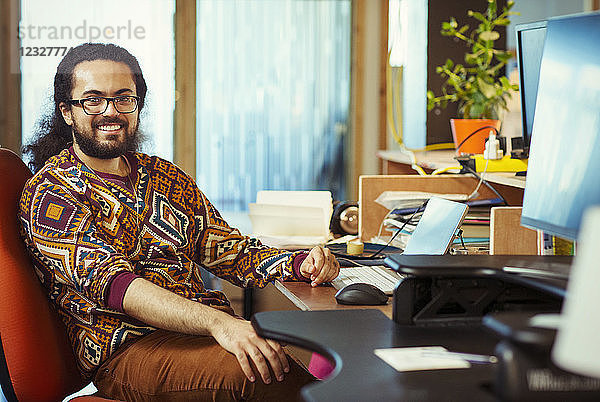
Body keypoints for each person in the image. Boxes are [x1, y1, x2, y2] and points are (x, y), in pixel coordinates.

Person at [19, 43, 340, 401]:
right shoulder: (51, 193)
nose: (110, 111)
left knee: (300, 363)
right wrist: (221, 324)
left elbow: (227, 249)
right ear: (67, 111)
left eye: (124, 98)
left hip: (195, 336)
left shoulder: (164, 175)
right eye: (93, 100)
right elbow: (121, 288)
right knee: (263, 373)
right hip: (128, 352)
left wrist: (299, 263)